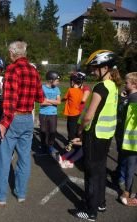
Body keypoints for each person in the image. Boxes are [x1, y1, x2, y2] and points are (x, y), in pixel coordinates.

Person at [70, 50, 121, 221]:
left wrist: (80, 131)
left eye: (95, 68)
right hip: (106, 135)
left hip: (94, 135)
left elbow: (89, 116)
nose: (92, 71)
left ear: (105, 67)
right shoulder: (113, 85)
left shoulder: (100, 87)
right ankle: (100, 202)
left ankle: (91, 211)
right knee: (99, 169)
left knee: (91, 171)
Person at [0, 40, 44, 206]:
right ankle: (21, 193)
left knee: (4, 158)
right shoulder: (33, 71)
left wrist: (4, 123)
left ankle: (0, 196)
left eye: (9, 53)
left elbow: (9, 100)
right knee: (24, 158)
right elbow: (40, 97)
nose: (9, 55)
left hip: (13, 118)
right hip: (28, 118)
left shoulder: (13, 69)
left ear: (13, 53)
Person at [58, 72, 84, 168]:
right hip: (77, 114)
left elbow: (64, 98)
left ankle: (67, 154)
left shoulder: (70, 90)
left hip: (71, 114)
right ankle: (73, 151)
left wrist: (59, 100)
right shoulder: (81, 92)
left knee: (71, 135)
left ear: (72, 82)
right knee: (74, 133)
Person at [119, 72, 137, 206]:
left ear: (134, 84)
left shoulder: (133, 99)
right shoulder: (129, 97)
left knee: (130, 166)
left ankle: (127, 192)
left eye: (127, 83)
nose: (125, 84)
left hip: (132, 139)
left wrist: (123, 101)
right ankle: (127, 191)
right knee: (129, 166)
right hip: (130, 139)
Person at [39, 70, 61, 157]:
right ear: (51, 80)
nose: (58, 83)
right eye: (57, 81)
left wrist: (47, 100)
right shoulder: (42, 88)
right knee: (43, 131)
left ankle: (50, 146)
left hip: (53, 113)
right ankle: (44, 148)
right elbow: (41, 102)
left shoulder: (57, 89)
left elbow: (59, 102)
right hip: (43, 113)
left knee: (52, 131)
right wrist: (53, 102)